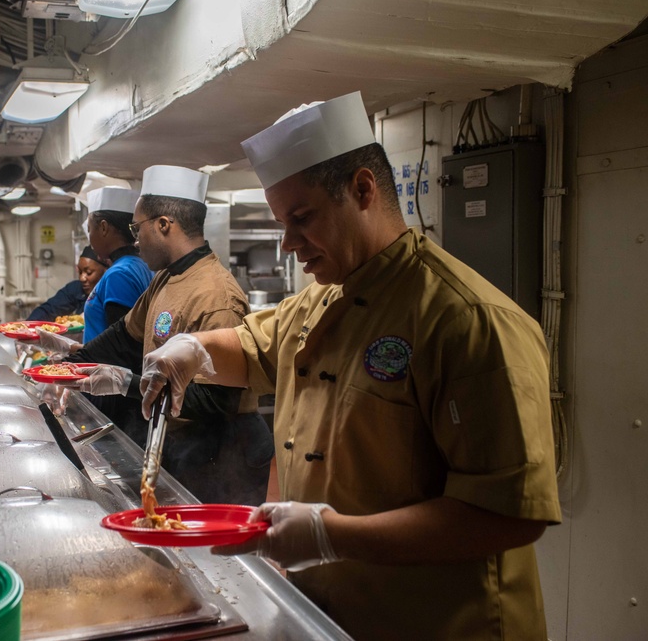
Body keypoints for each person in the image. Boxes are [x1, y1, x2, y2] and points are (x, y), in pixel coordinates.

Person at [137, 92, 561, 640]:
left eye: (301, 218)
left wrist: (330, 536)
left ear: (363, 190)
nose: (288, 244)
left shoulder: (468, 321)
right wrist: (190, 350)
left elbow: (511, 514)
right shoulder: (320, 301)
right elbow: (248, 346)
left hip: (442, 623)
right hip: (333, 614)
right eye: (280, 223)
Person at [62, 165, 273, 506]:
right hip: (183, 438)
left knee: (209, 554)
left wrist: (127, 383)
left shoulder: (215, 294)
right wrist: (67, 367)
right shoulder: (166, 278)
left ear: (163, 225)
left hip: (222, 450)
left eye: (137, 228)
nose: (133, 239)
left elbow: (218, 402)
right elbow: (123, 336)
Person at [82, 186, 153, 343]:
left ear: (103, 228)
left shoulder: (120, 274)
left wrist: (72, 351)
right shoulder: (142, 264)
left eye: (89, 229)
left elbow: (121, 345)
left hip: (107, 367)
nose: (90, 238)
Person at [27, 246, 107, 322]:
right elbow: (49, 310)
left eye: (88, 273)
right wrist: (26, 327)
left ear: (106, 271)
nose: (82, 278)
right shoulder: (77, 288)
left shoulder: (111, 293)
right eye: (80, 272)